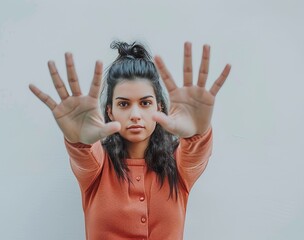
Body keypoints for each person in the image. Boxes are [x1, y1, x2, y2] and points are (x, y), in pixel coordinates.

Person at [29, 41, 231, 240]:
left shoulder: (178, 165)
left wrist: (198, 130)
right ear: (110, 110)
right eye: (124, 104)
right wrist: (77, 139)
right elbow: (83, 155)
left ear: (159, 107)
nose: (135, 114)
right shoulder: (97, 166)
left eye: (145, 103)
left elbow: (196, 153)